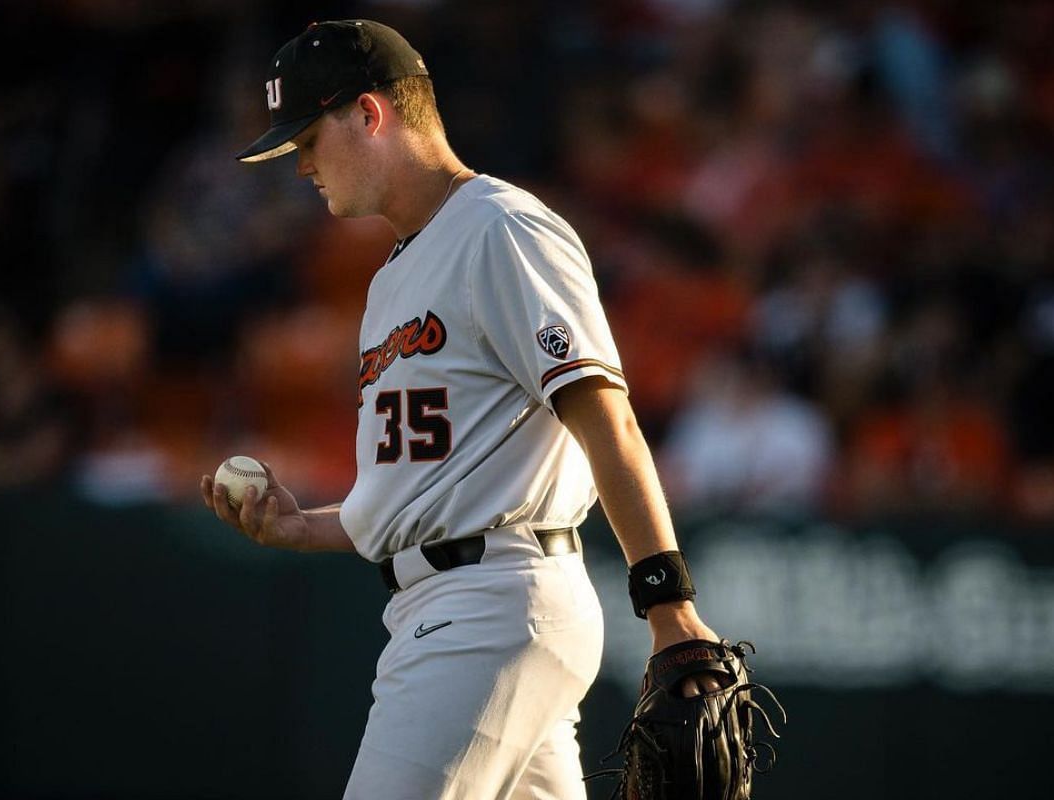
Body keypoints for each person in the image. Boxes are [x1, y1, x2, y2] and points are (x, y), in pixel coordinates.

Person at [202, 19, 721, 799]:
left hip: (490, 606)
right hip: (462, 604)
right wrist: (303, 526)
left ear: (370, 115)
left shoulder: (500, 228)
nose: (300, 163)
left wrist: (668, 602)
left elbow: (604, 416)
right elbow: (431, 489)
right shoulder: (393, 278)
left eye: (308, 136)